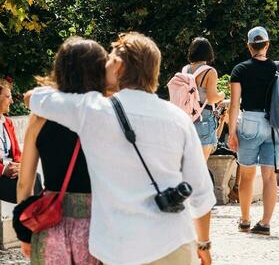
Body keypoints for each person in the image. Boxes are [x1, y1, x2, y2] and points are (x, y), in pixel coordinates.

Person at [29, 33, 213, 264]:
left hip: (119, 249)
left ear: (118, 66)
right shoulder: (178, 118)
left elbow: (35, 98)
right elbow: (201, 193)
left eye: (109, 59)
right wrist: (204, 244)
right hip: (173, 242)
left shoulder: (94, 112)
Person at [15, 37, 102, 265]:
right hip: (98, 224)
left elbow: (25, 183)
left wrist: (25, 232)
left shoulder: (40, 116)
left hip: (49, 220)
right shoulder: (104, 114)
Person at [228, 26, 279, 234]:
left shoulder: (240, 70)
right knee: (269, 176)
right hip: (274, 125)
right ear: (267, 44)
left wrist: (232, 132)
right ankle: (265, 223)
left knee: (248, 174)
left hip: (250, 120)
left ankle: (244, 219)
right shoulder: (278, 69)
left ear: (249, 46)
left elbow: (234, 104)